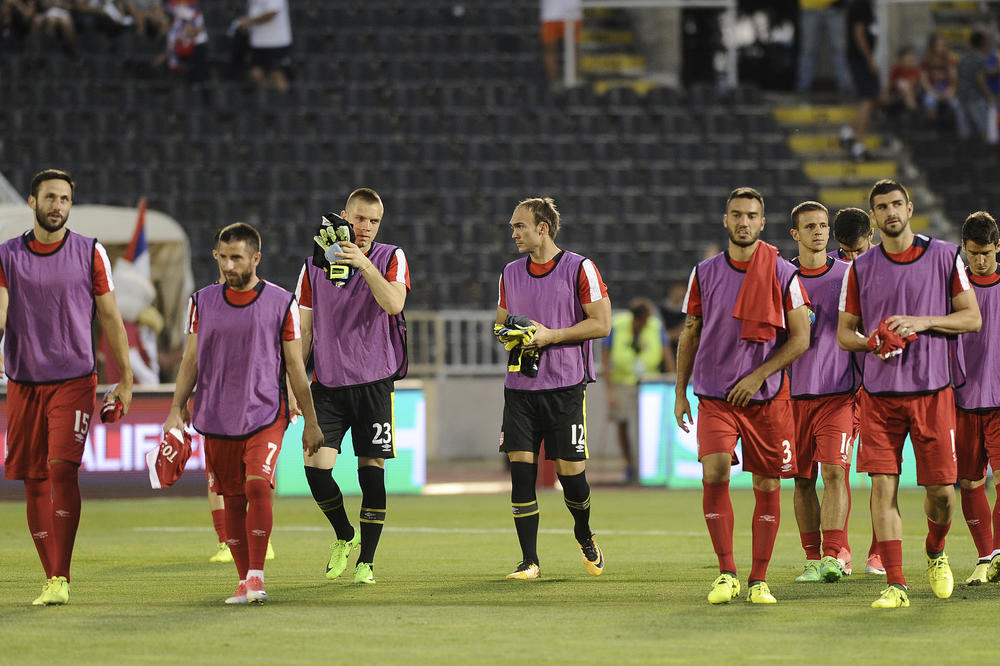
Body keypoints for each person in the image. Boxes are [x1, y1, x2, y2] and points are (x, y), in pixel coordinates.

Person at [837, 178, 982, 608]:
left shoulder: (943, 255)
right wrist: (872, 342)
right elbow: (846, 333)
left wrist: (922, 322)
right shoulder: (860, 269)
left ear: (910, 207)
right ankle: (896, 584)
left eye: (897, 204)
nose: (891, 212)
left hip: (932, 393)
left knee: (942, 494)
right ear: (874, 217)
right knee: (883, 486)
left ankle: (936, 551)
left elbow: (971, 318)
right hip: (879, 396)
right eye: (882, 207)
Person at [163, 222, 323, 604]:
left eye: (237, 257)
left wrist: (311, 421)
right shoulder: (201, 302)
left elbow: (296, 367)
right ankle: (243, 579)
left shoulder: (281, 302)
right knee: (232, 498)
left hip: (266, 412)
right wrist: (175, 408)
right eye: (223, 257)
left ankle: (256, 575)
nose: (229, 265)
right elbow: (190, 360)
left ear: (256, 258)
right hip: (216, 415)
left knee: (256, 485)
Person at [0, 168, 134, 605]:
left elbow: (111, 318)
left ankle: (61, 576)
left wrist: (126, 378)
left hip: (75, 380)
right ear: (32, 202)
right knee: (33, 480)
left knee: (62, 469)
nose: (58, 205)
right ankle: (50, 576)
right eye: (50, 197)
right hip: (23, 382)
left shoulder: (91, 252)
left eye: (65, 199)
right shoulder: (6, 257)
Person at [675, 187, 811, 604]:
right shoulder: (704, 273)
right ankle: (727, 572)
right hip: (715, 394)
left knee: (767, 482)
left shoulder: (783, 273)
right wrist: (680, 391)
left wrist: (758, 376)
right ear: (725, 220)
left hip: (766, 397)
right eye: (736, 214)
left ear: (762, 222)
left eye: (751, 215)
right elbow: (691, 331)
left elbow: (801, 338)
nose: (743, 222)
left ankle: (758, 579)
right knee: (714, 471)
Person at [297, 188, 409, 585]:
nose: (364, 228)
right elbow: (305, 331)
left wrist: (363, 263)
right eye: (359, 218)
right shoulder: (313, 265)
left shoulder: (389, 257)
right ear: (344, 215)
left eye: (373, 221)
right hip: (327, 383)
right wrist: (294, 385)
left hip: (374, 382)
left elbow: (394, 304)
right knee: (315, 467)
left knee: (371, 471)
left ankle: (367, 562)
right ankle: (344, 534)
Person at [496, 196, 610, 580]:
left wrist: (549, 336)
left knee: (571, 477)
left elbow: (601, 324)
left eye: (520, 226)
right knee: (521, 473)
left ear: (542, 228)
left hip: (564, 388)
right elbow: (499, 324)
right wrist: (509, 334)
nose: (513, 233)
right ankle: (530, 561)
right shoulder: (509, 272)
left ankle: (584, 532)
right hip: (520, 388)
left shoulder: (580, 268)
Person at [786, 202, 858, 584]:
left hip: (838, 394)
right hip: (791, 397)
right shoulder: (781, 278)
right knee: (801, 479)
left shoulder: (850, 275)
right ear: (794, 234)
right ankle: (812, 558)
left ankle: (833, 555)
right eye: (810, 226)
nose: (819, 232)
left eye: (824, 226)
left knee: (833, 471)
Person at [830, 205, 884, 576]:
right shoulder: (832, 271)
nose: (851, 259)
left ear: (872, 237)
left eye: (858, 252)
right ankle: (840, 549)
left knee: (883, 473)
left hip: (883, 386)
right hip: (840, 387)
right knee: (837, 470)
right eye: (845, 252)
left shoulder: (890, 268)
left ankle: (878, 553)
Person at [954, 211, 1000, 584]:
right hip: (962, 400)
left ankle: (997, 554)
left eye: (985, 252)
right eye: (973, 253)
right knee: (969, 484)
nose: (980, 260)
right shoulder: (953, 289)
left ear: (998, 246)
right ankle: (985, 557)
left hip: (999, 401)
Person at [602, 297, 665, 483]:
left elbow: (666, 352)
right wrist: (610, 391)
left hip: (650, 383)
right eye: (643, 319)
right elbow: (605, 359)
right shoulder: (618, 325)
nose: (646, 322)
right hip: (622, 382)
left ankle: (651, 467)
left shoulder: (655, 326)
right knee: (622, 425)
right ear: (636, 318)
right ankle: (629, 465)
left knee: (650, 428)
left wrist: (673, 383)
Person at [840, 0, 879, 161]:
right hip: (860, 60)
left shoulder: (866, 6)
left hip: (860, 59)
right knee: (867, 99)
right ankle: (858, 145)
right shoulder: (861, 5)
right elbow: (859, 33)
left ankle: (848, 132)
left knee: (871, 99)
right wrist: (869, 59)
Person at [796, 0, 851, 94]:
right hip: (810, 7)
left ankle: (845, 87)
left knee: (840, 51)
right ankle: (803, 88)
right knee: (808, 52)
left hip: (834, 8)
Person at [236, 0, 292, 93]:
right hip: (258, 42)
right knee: (255, 73)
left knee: (277, 73)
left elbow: (272, 13)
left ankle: (285, 100)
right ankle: (271, 95)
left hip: (276, 41)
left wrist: (250, 21)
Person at [956, 30, 998, 145]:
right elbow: (980, 78)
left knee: (964, 126)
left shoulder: (963, 58)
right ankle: (987, 151)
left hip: (961, 96)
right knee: (983, 125)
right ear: (983, 43)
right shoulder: (981, 58)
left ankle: (964, 151)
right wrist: (990, 96)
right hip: (975, 97)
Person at [920, 31, 965, 136]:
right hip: (933, 89)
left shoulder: (951, 60)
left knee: (956, 105)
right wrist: (934, 93)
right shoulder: (926, 61)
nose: (941, 48)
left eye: (944, 45)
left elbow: (954, 81)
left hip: (947, 89)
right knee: (930, 101)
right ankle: (933, 129)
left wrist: (951, 91)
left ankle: (956, 132)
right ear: (932, 46)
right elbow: (924, 81)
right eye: (938, 45)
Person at [540, 0, 581, 86]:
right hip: (550, 14)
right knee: (550, 50)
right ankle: (553, 83)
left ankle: (574, 83)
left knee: (574, 50)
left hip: (572, 12)